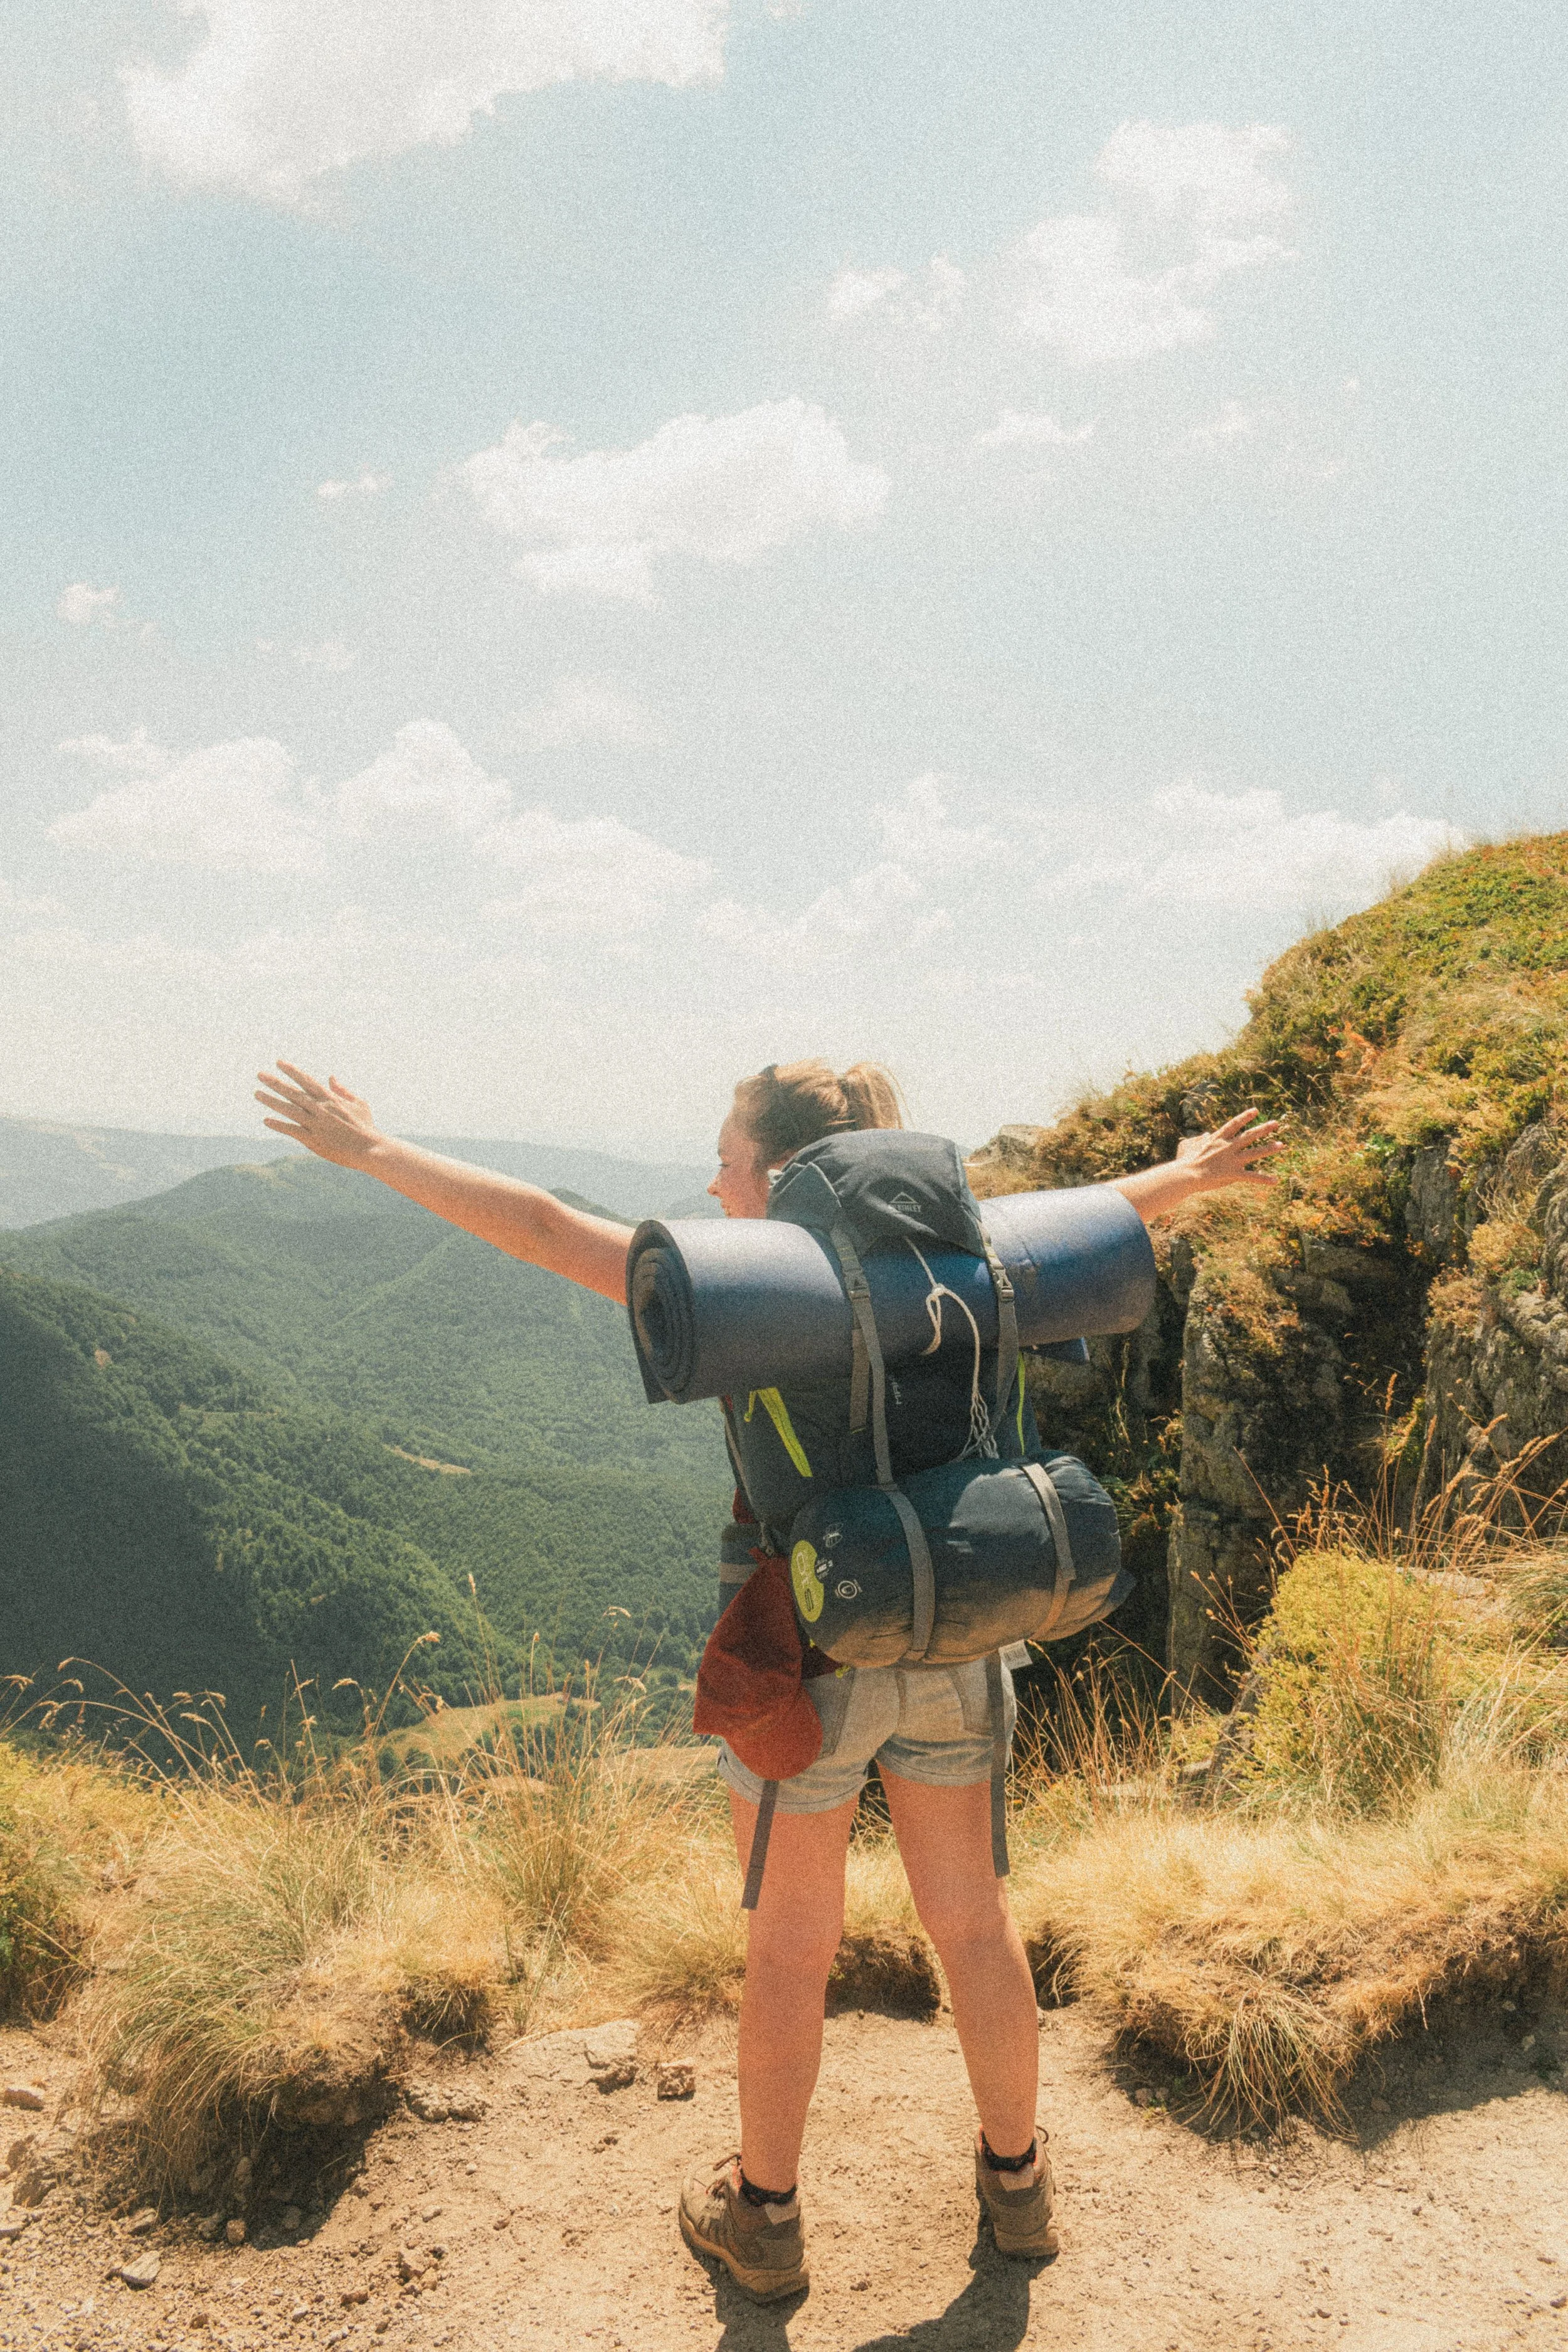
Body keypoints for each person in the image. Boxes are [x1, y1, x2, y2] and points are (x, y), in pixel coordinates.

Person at [255, 1055, 1279, 2301]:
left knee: (792, 1947)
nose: (709, 1182)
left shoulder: (752, 1292)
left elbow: (538, 1229)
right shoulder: (962, 1256)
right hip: (958, 1630)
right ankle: (1018, 2190)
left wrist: (372, 1152)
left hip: (807, 1649)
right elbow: (1086, 1217)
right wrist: (1182, 1176)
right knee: (972, 1922)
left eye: (727, 1160)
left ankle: (766, 2216)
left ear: (781, 1170)